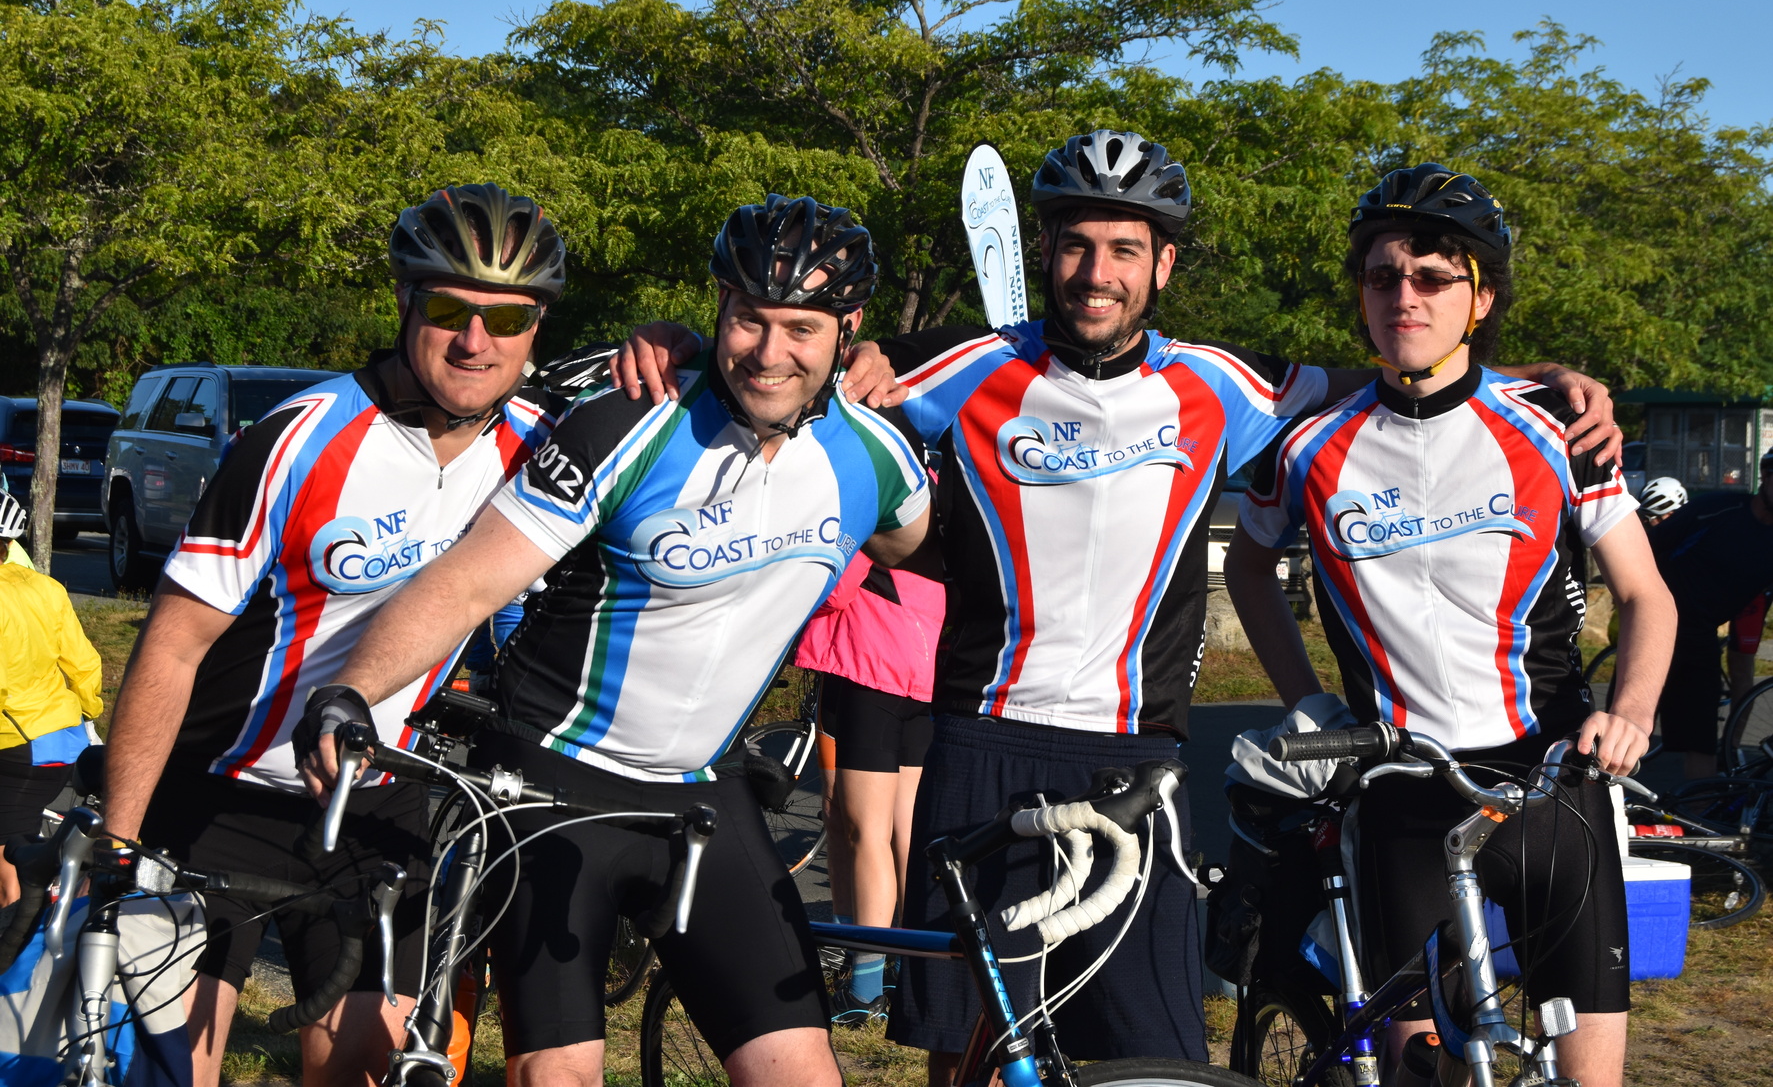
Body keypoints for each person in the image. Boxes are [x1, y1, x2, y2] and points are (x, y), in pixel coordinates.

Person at [613, 130, 1623, 1077]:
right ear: (1045, 250)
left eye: (1125, 250)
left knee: (1154, 1060)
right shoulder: (957, 365)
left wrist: (1554, 383)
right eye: (1076, 245)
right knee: (971, 1051)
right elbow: (781, 359)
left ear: (1164, 267)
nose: (1097, 273)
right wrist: (671, 345)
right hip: (980, 747)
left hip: (1137, 761)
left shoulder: (1227, 386)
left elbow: (1409, 375)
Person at [298, 194, 933, 1087]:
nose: (768, 351)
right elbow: (471, 579)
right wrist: (352, 690)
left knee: (803, 1073)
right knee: (557, 1075)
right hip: (549, 785)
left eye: (802, 328)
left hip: (701, 794)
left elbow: (917, 538)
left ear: (848, 329)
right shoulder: (626, 422)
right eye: (749, 319)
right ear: (718, 306)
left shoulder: (875, 453)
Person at [99, 184, 565, 1087]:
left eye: (506, 318)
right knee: (170, 1064)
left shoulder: (544, 450)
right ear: (404, 304)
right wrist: (121, 845)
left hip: (377, 799)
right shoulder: (297, 438)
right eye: (447, 310)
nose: (475, 341)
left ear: (536, 326)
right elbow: (172, 645)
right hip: (219, 792)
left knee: (361, 1069)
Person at [1225, 162, 1675, 1087]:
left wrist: (1628, 713)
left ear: (1479, 298)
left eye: (1432, 278)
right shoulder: (1308, 441)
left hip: (1554, 776)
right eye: (1383, 276)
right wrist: (1305, 698)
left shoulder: (1553, 426)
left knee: (1590, 1076)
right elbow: (1247, 562)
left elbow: (1646, 595)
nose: (1404, 296)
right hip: (1400, 790)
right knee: (1419, 1072)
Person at [794, 550, 945, 1021]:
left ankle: (864, 988)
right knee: (903, 830)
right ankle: (909, 966)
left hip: (870, 660)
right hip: (924, 664)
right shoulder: (936, 495)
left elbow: (834, 587)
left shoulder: (874, 494)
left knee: (866, 831)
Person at [0, 489, 103, 906]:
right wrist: (85, 711)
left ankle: (18, 965)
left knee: (9, 878)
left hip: (14, 743)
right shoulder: (45, 587)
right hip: (64, 737)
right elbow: (85, 665)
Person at [1649, 447, 1773, 777]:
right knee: (1631, 720)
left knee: (1701, 737)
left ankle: (1698, 813)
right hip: (1656, 623)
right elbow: (1649, 547)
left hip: (1700, 635)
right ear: (1766, 478)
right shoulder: (1716, 509)